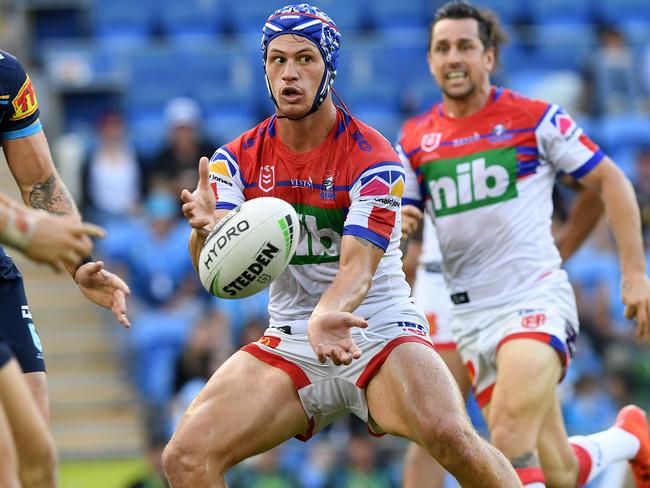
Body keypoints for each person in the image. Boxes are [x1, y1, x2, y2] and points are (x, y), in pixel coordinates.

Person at [163, 4, 520, 488]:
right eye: (277, 59)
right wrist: (205, 235)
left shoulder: (375, 158)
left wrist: (329, 310)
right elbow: (222, 280)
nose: (290, 73)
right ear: (264, 68)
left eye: (306, 59)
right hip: (290, 338)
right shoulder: (234, 160)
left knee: (449, 435)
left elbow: (359, 265)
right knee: (184, 458)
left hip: (377, 328)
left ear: (329, 69)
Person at [397, 3, 650, 488]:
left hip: (531, 303)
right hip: (470, 319)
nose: (454, 57)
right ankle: (628, 437)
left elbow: (611, 181)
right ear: (430, 61)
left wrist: (634, 272)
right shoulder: (414, 138)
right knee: (555, 469)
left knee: (508, 443)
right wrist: (397, 231)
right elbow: (407, 218)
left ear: (488, 56)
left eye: (466, 46)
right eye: (443, 48)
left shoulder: (532, 119)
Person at [0, 49, 131, 485]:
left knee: (36, 452)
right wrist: (22, 229)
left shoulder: (5, 74)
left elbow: (39, 181)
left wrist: (79, 262)